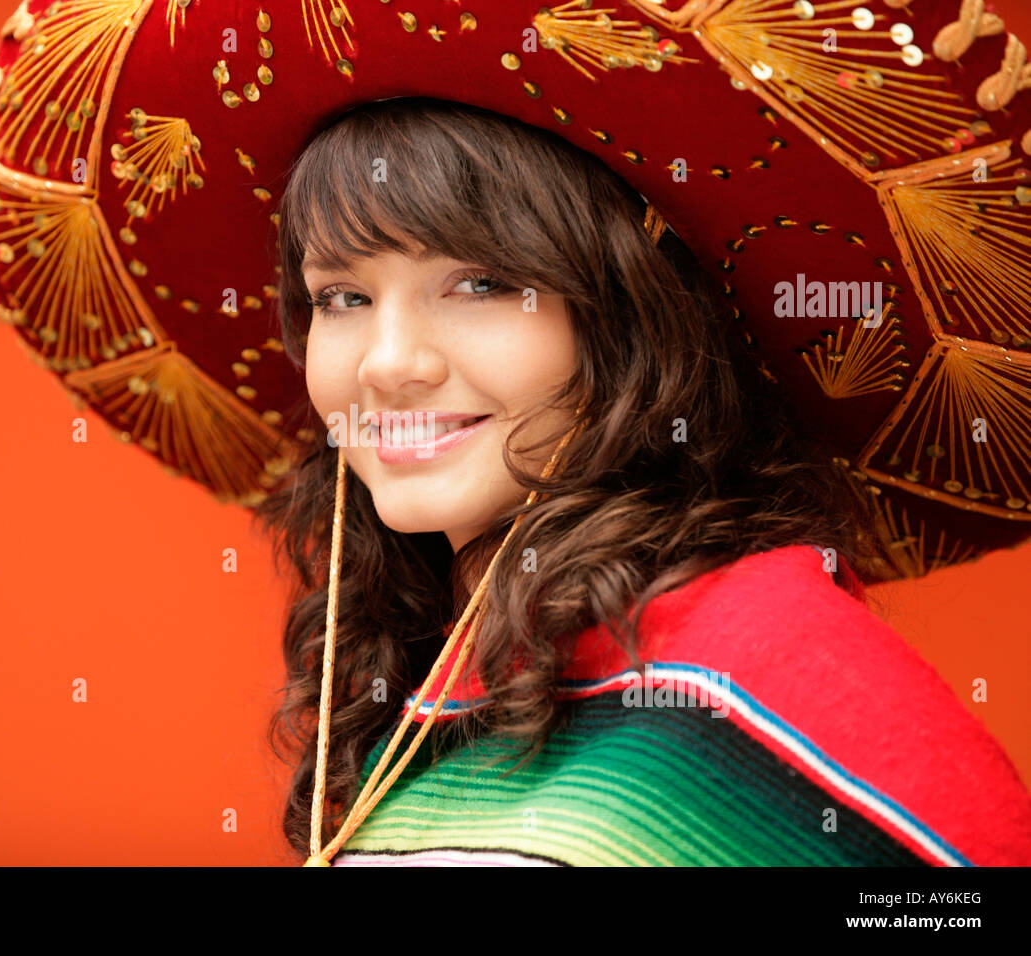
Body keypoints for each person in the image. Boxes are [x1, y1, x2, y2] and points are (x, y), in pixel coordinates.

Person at [254, 97, 1031, 867]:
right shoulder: (419, 706)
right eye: (342, 298)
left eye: (481, 283)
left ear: (630, 317)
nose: (387, 364)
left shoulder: (763, 658)